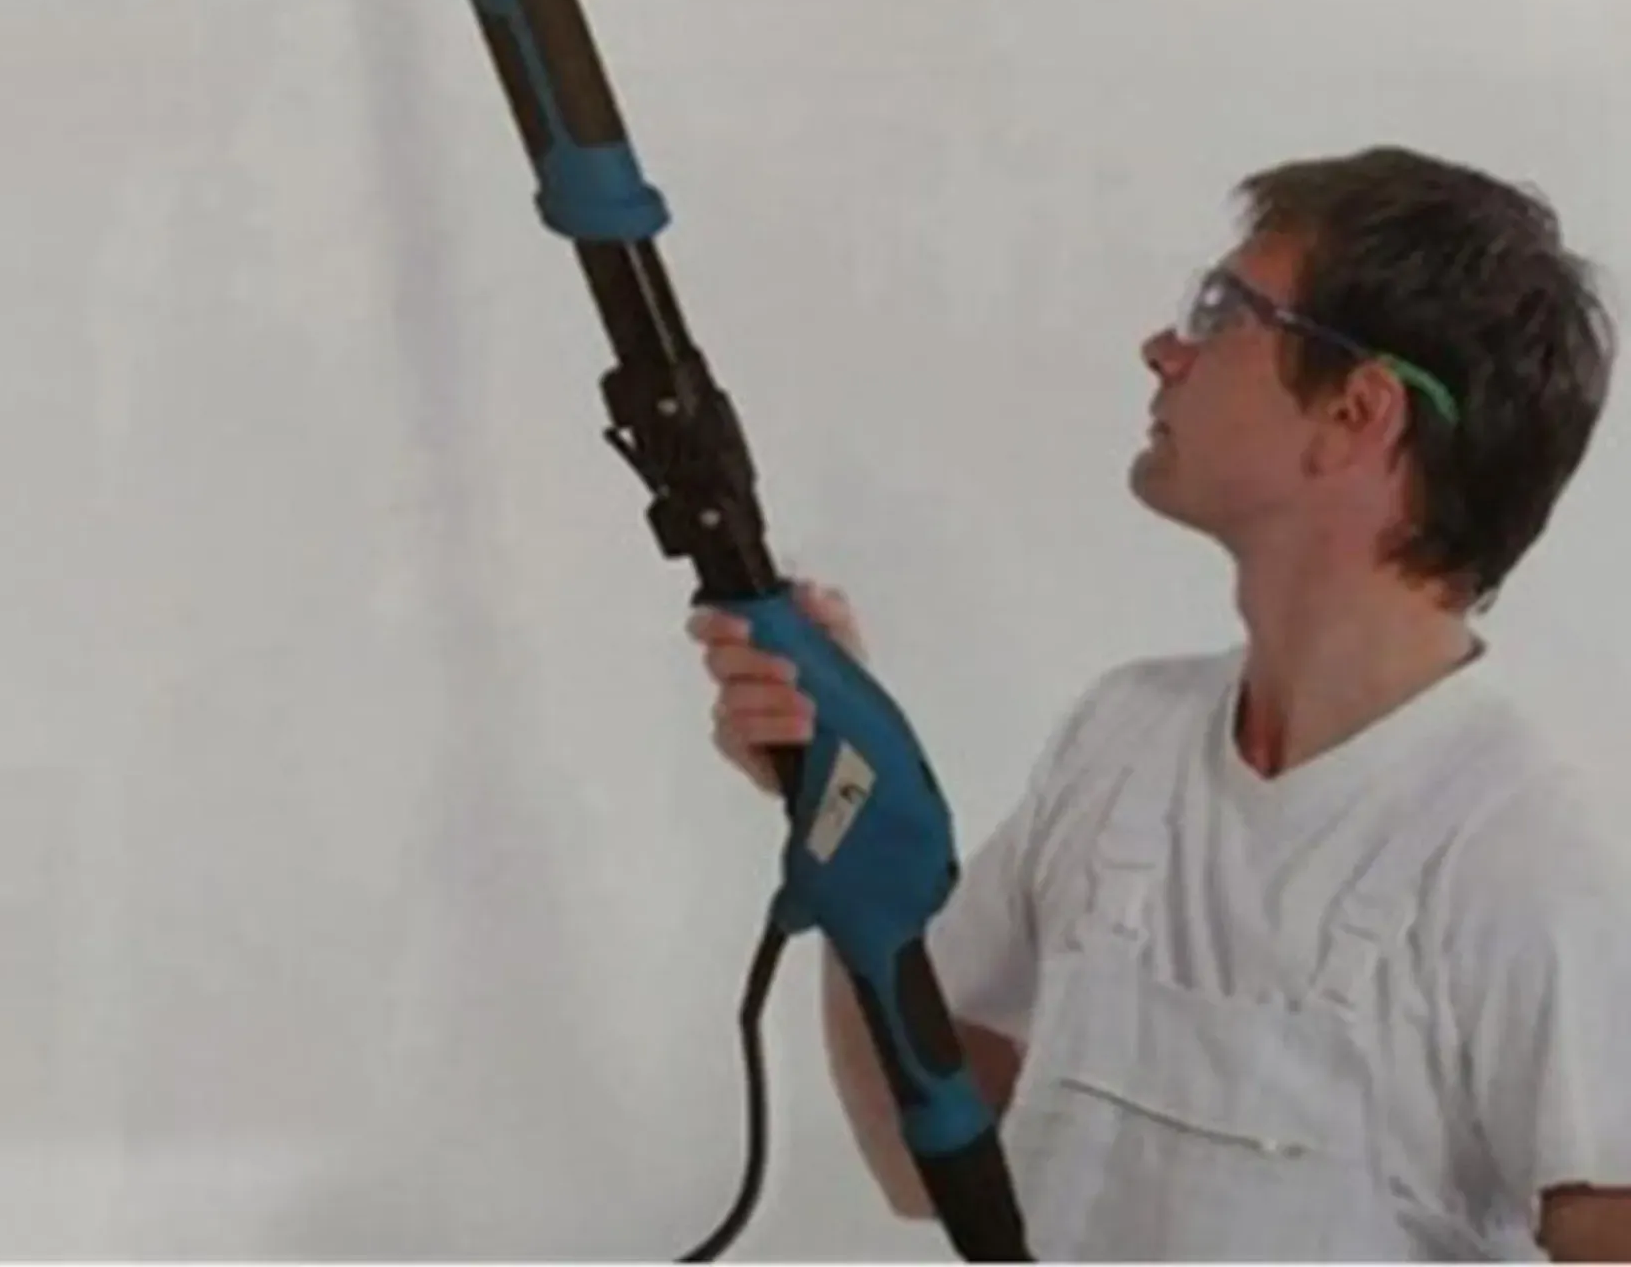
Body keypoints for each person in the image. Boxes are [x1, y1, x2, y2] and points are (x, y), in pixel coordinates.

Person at [690, 144, 1631, 1261]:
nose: (1163, 348)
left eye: (1225, 312)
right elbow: (920, 1158)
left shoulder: (1524, 847)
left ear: (1359, 410)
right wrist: (845, 810)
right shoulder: (1126, 737)